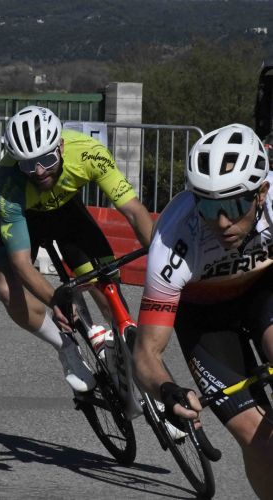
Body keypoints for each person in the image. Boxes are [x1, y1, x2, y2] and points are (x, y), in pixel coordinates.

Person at [133, 123, 273, 499]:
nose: (222, 222)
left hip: (264, 293)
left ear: (261, 193)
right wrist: (167, 390)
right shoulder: (173, 242)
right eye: (209, 207)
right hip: (205, 317)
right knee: (257, 440)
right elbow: (146, 353)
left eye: (234, 205)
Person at [0, 105, 153, 393]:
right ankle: (65, 348)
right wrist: (55, 299)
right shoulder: (7, 180)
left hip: (67, 214)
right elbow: (21, 262)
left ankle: (132, 366)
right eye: (28, 165)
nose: (39, 171)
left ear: (61, 146)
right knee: (4, 284)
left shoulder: (88, 153)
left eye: (47, 160)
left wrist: (162, 260)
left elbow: (135, 212)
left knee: (106, 286)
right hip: (26, 220)